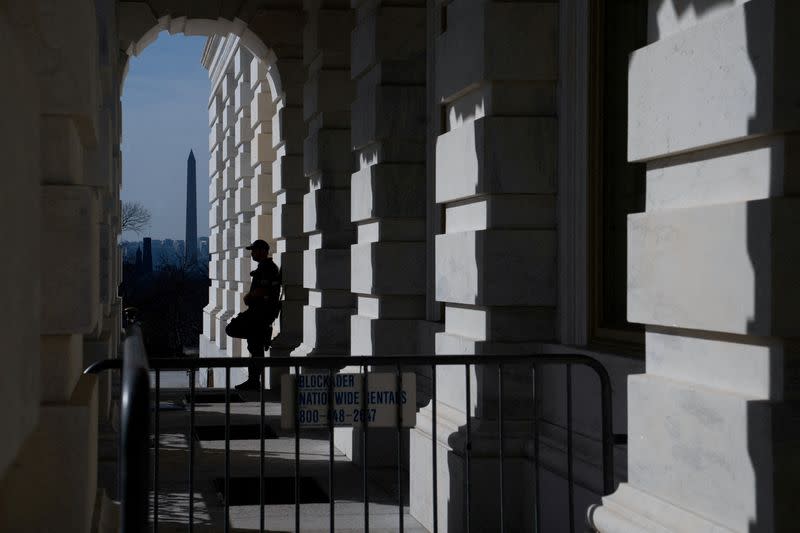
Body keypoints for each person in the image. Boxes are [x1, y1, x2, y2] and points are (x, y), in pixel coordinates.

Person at [225, 239, 281, 390]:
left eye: (254, 250)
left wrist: (248, 297)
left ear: (263, 251)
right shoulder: (265, 267)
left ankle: (254, 380)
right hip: (258, 314)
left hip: (260, 314)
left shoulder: (267, 268)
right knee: (254, 346)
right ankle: (254, 380)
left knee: (236, 331)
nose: (252, 254)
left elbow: (263, 291)